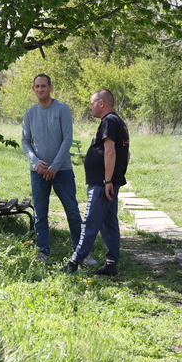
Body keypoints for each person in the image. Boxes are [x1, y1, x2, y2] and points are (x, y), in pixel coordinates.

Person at [21, 74, 94, 265]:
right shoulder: (29, 114)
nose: (40, 90)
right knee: (40, 214)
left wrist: (55, 166)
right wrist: (35, 162)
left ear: (51, 88)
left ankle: (81, 254)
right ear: (33, 89)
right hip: (38, 172)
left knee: (72, 211)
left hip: (62, 171)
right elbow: (25, 142)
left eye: (43, 86)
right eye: (36, 86)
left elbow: (67, 139)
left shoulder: (62, 109)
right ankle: (43, 251)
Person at [63, 89, 130, 277]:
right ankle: (111, 263)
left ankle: (74, 261)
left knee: (90, 221)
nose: (90, 107)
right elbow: (127, 154)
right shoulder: (119, 122)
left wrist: (108, 180)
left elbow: (110, 151)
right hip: (107, 182)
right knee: (108, 222)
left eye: (92, 103)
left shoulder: (109, 120)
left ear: (101, 103)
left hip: (102, 183)